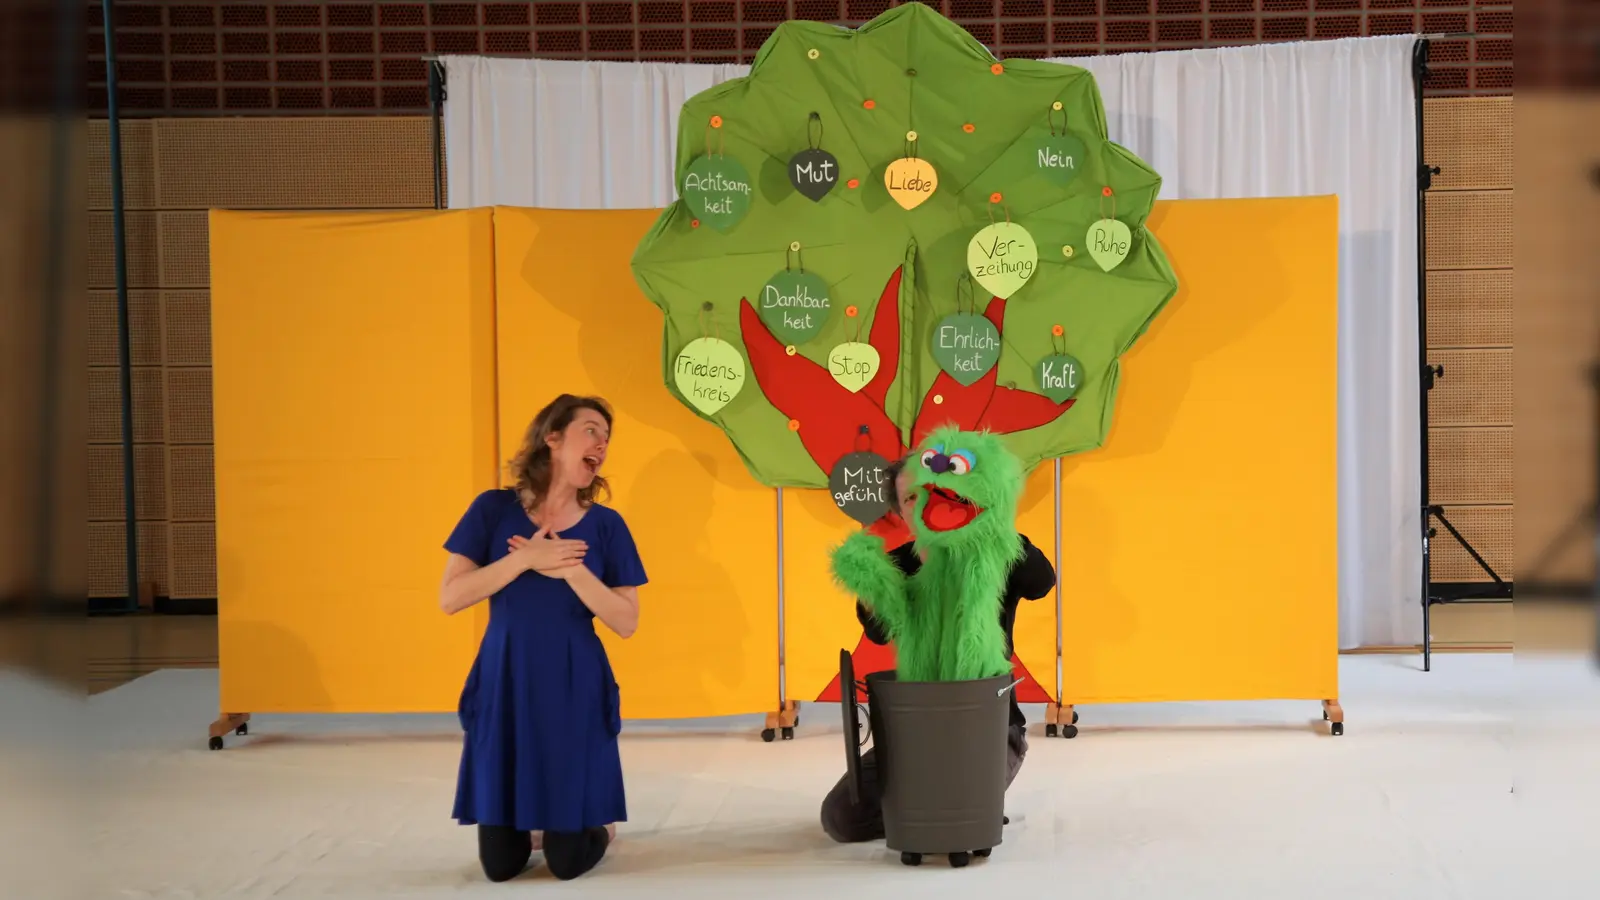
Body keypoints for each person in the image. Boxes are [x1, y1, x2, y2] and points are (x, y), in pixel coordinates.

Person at [437, 394, 647, 882]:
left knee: (568, 863)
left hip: (574, 682)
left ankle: (597, 826)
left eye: (607, 437)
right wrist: (524, 560)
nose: (603, 444)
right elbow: (451, 597)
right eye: (591, 430)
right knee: (500, 867)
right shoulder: (492, 510)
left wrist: (570, 570)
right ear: (552, 438)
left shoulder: (607, 526)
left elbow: (626, 621)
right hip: (505, 676)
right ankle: (537, 823)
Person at [820, 455, 1056, 843]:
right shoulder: (898, 564)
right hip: (914, 732)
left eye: (932, 490)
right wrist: (873, 591)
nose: (925, 503)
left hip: (991, 729)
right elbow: (879, 633)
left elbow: (1041, 581)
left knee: (955, 804)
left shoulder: (992, 553)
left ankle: (950, 809)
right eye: (911, 498)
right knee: (841, 818)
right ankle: (925, 808)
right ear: (901, 513)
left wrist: (997, 530)